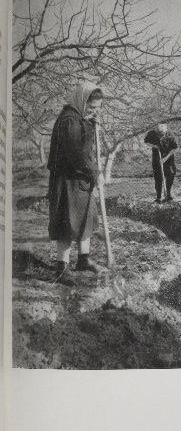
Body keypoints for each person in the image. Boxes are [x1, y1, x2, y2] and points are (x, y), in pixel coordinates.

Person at [47, 81, 104, 284]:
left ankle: (83, 260)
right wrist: (95, 172)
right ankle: (61, 269)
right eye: (92, 107)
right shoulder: (69, 120)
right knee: (67, 222)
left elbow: (85, 145)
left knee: (85, 218)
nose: (95, 111)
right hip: (67, 178)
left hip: (81, 178)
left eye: (98, 108)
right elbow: (75, 153)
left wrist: (90, 122)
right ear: (81, 101)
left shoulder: (81, 118)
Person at [144, 123, 178, 202]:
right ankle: (159, 196)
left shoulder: (171, 135)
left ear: (166, 130)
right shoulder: (152, 133)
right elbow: (146, 141)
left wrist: (165, 158)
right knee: (158, 177)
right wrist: (154, 146)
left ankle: (168, 193)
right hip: (156, 157)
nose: (160, 136)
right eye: (159, 134)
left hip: (168, 157)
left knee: (171, 173)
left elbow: (174, 148)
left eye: (162, 134)